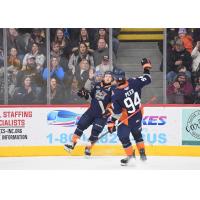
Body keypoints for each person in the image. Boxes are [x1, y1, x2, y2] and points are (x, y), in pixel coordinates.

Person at [106, 58, 152, 166]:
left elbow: (117, 113)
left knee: (123, 136)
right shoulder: (134, 82)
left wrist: (111, 123)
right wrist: (146, 68)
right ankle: (143, 155)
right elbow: (148, 78)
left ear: (116, 79)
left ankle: (131, 157)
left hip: (127, 119)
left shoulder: (116, 94)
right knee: (137, 134)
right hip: (138, 114)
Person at [64, 71, 115, 156]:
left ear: (112, 78)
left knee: (95, 132)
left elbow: (114, 104)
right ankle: (72, 144)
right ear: (103, 77)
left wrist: (108, 111)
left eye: (110, 76)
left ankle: (88, 149)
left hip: (102, 115)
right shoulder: (97, 85)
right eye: (106, 76)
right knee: (81, 126)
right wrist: (85, 94)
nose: (108, 78)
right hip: (91, 111)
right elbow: (91, 97)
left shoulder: (113, 89)